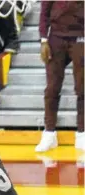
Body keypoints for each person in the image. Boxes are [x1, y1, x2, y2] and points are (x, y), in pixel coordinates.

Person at [36, 0, 84, 152]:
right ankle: (49, 133)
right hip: (55, 37)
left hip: (80, 36)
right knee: (52, 88)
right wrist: (43, 40)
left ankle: (82, 133)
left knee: (82, 88)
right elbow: (44, 13)